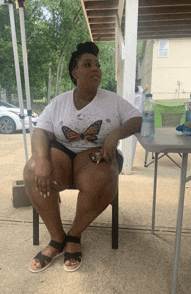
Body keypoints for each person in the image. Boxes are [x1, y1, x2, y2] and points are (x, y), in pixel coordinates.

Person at [23, 42, 142, 273]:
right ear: (74, 72)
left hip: (96, 153)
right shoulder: (60, 101)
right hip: (62, 149)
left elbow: (137, 119)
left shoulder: (112, 100)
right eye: (87, 65)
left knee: (103, 178)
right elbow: (40, 131)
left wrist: (115, 134)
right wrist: (42, 160)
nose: (95, 69)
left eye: (97, 65)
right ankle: (57, 238)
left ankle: (74, 235)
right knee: (31, 172)